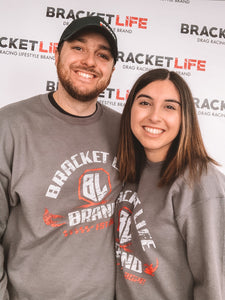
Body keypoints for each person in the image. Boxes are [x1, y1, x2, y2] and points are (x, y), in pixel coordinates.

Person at [0, 16, 122, 300]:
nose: (90, 61)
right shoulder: (10, 126)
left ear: (112, 69)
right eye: (78, 48)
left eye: (102, 55)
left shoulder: (126, 131)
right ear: (57, 54)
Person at [115, 68, 225, 300]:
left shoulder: (199, 181)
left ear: (185, 117)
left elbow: (214, 284)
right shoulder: (130, 171)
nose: (154, 116)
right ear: (130, 110)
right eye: (145, 103)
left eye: (170, 106)